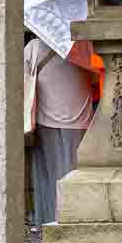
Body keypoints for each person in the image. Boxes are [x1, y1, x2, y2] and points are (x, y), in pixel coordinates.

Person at [25, 35, 95, 228]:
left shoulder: (34, 46)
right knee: (76, 174)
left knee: (47, 176)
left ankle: (47, 221)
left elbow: (23, 78)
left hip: (44, 120)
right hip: (81, 119)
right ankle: (76, 220)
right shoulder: (83, 44)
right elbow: (96, 74)